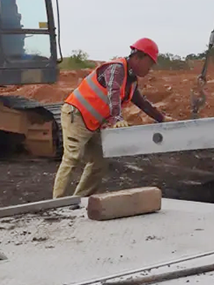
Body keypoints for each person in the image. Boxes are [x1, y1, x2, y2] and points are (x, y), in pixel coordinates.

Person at [52, 38, 174, 198]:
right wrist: (117, 118)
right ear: (139, 57)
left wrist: (162, 118)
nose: (149, 69)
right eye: (149, 64)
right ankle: (56, 204)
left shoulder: (131, 80)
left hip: (93, 122)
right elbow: (113, 92)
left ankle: (80, 200)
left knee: (100, 161)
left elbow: (142, 103)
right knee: (72, 157)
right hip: (77, 114)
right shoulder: (117, 69)